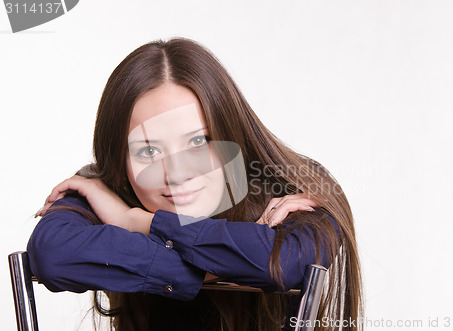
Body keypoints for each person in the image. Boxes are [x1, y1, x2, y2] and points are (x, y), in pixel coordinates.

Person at [27, 38, 363, 331]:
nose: (176, 173)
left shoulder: (295, 185)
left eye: (198, 142)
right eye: (149, 150)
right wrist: (228, 263)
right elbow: (52, 256)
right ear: (120, 161)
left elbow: (284, 262)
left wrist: (137, 222)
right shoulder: (102, 189)